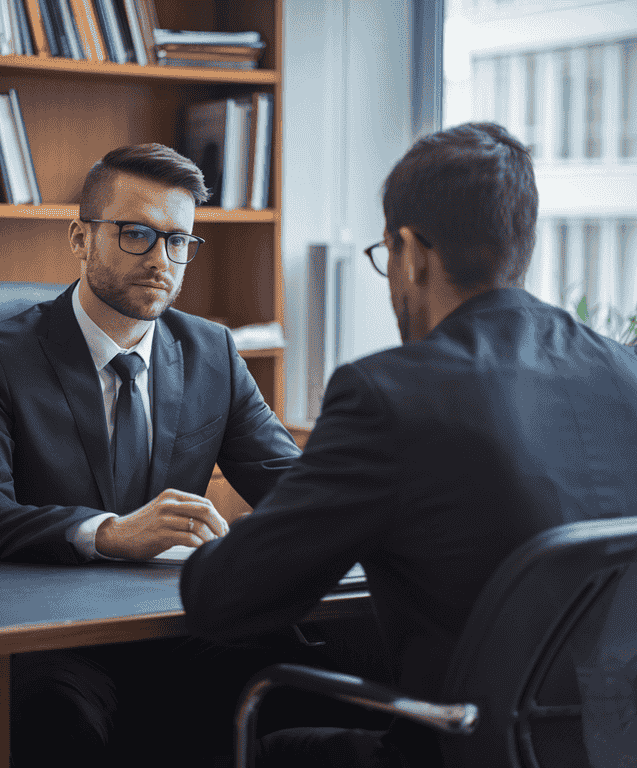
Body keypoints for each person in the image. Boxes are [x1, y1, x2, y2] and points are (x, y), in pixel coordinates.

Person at [180, 122, 637, 767]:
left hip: (457, 747)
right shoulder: (625, 373)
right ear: (522, 244)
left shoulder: (389, 394)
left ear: (410, 250)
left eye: (386, 256)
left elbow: (226, 600)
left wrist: (210, 548)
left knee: (250, 717)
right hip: (603, 748)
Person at [0, 143, 302, 766]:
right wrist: (108, 533)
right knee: (59, 716)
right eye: (137, 235)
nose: (162, 261)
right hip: (52, 639)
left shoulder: (212, 352)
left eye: (178, 241)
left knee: (296, 662)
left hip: (172, 626)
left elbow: (294, 488)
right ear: (81, 239)